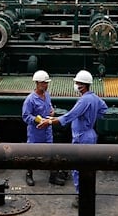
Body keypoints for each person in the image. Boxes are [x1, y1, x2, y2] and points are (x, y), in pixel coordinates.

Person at [45, 70, 107, 207]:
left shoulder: (84, 100)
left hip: (82, 137)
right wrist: (91, 119)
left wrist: (49, 122)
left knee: (78, 168)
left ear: (83, 85)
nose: (76, 85)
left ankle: (82, 197)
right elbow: (104, 109)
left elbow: (69, 116)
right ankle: (88, 194)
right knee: (89, 167)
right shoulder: (95, 98)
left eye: (77, 83)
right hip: (90, 134)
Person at [21, 70, 55, 186]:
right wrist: (36, 119)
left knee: (50, 152)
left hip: (47, 131)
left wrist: (52, 112)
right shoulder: (30, 100)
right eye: (43, 83)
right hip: (35, 132)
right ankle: (29, 174)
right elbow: (26, 116)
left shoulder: (47, 95)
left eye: (46, 83)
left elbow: (49, 106)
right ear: (37, 83)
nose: (46, 85)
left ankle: (53, 176)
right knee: (32, 153)